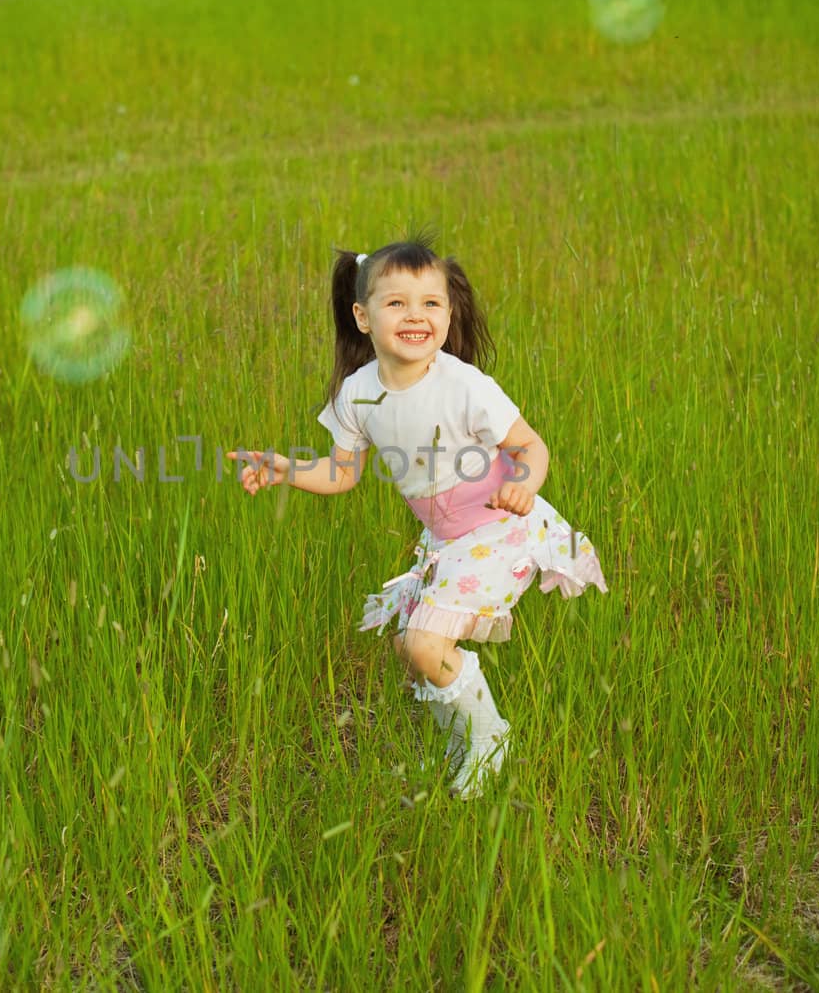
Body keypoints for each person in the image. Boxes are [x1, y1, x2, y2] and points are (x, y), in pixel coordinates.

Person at [229, 235, 608, 799]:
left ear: (449, 313)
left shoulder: (465, 385)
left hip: (498, 527)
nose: (416, 316)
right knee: (416, 649)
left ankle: (490, 741)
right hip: (447, 538)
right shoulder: (356, 395)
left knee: (423, 645)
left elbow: (531, 447)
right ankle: (466, 741)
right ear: (363, 316)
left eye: (431, 303)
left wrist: (525, 484)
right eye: (397, 303)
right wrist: (285, 469)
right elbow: (341, 474)